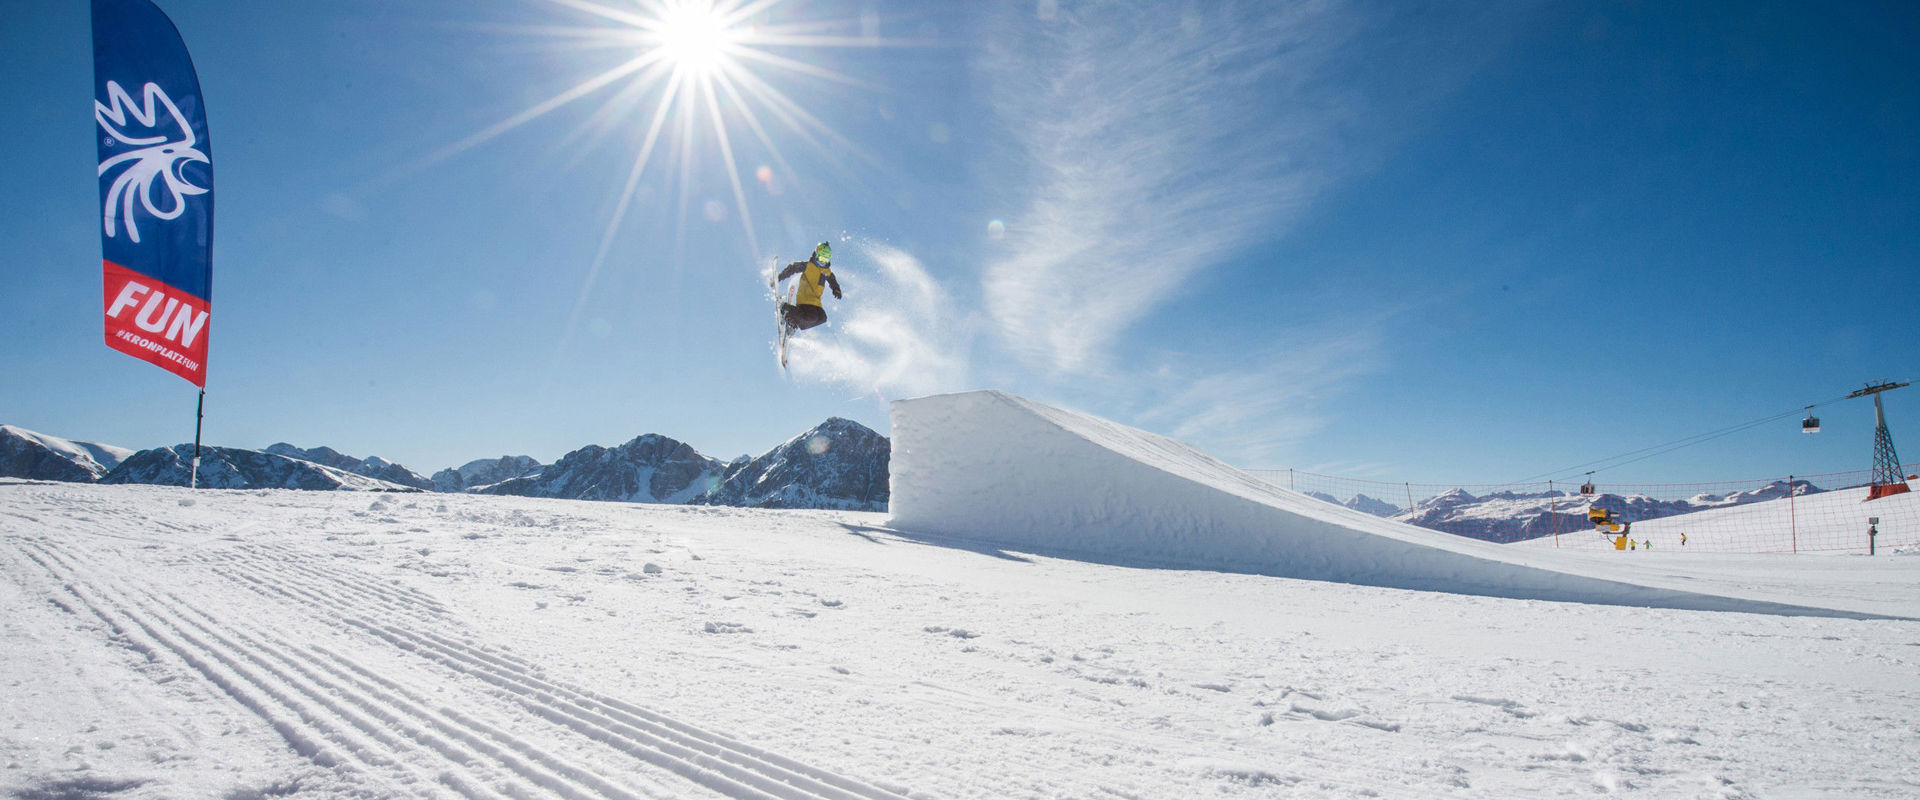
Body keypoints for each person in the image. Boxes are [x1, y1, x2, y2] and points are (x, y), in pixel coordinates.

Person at [776, 242, 842, 335]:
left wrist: (836, 289)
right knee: (811, 317)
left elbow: (832, 279)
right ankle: (786, 309)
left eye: (825, 259)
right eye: (821, 258)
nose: (822, 262)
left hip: (816, 303)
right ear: (816, 255)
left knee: (822, 318)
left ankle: (794, 322)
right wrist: (780, 276)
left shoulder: (826, 271)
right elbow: (793, 267)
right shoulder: (808, 265)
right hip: (805, 299)